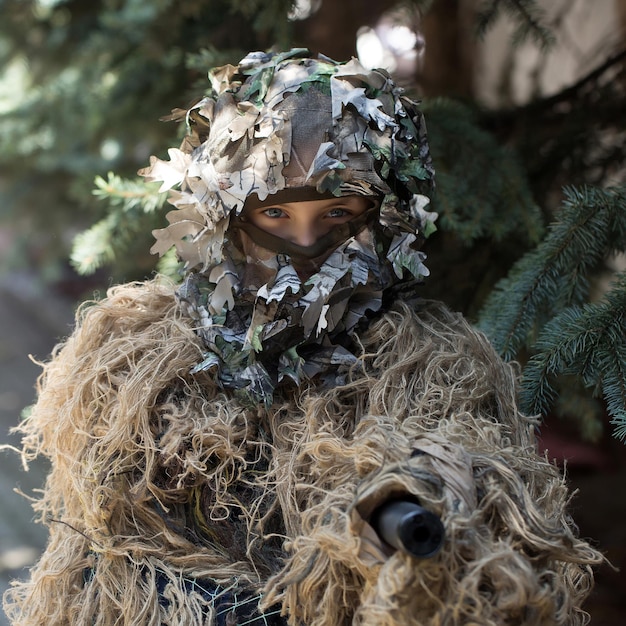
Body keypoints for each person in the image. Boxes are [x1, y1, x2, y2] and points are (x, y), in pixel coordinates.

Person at [4, 49, 603, 626]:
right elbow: (103, 532)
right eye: (275, 216)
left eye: (338, 214)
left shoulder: (433, 361)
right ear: (226, 215)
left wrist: (413, 503)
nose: (308, 246)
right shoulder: (135, 350)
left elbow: (471, 467)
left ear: (383, 217)